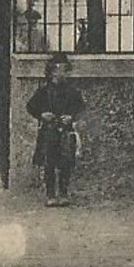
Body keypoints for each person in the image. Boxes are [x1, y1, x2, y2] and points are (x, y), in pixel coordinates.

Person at [27, 51, 85, 206]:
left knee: (66, 163)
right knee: (49, 163)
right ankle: (51, 194)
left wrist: (71, 117)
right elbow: (30, 106)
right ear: (52, 71)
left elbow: (80, 106)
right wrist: (42, 115)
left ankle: (64, 193)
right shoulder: (44, 91)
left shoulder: (72, 91)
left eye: (65, 70)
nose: (62, 73)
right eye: (59, 70)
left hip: (65, 131)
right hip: (49, 131)